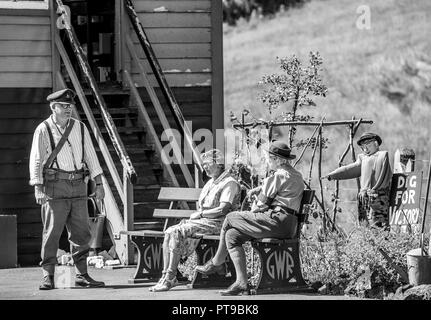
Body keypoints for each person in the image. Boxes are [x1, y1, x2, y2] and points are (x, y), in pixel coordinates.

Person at [195, 140, 304, 296]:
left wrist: (252, 207)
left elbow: (260, 204)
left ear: (277, 159)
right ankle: (241, 283)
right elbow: (282, 189)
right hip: (288, 224)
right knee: (232, 235)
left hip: (276, 221)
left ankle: (216, 263)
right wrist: (260, 188)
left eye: (269, 158)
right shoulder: (295, 174)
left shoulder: (278, 175)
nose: (267, 161)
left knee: (231, 217)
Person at [29, 88, 106, 290]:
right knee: (52, 232)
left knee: (82, 233)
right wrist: (38, 186)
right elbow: (36, 160)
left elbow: (91, 156)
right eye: (63, 106)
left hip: (79, 184)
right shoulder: (43, 129)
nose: (68, 109)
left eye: (70, 106)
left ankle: (82, 275)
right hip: (54, 185)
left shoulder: (80, 128)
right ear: (53, 107)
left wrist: (99, 184)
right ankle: (48, 275)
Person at [149, 149, 241, 292]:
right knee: (169, 231)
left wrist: (201, 214)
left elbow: (222, 210)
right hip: (206, 222)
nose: (204, 167)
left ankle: (169, 278)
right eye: (203, 164)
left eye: (207, 164)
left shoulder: (229, 182)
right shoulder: (211, 182)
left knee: (177, 231)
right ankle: (167, 276)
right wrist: (201, 215)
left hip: (221, 223)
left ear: (218, 164)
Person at [321, 132, 392, 228]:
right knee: (364, 225)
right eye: (363, 147)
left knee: (378, 226)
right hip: (364, 197)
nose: (365, 149)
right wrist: (333, 175)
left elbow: (383, 175)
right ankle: (367, 242)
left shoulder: (382, 156)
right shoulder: (363, 158)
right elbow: (350, 169)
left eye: (368, 145)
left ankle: (379, 242)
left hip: (378, 197)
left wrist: (374, 190)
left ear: (376, 144)